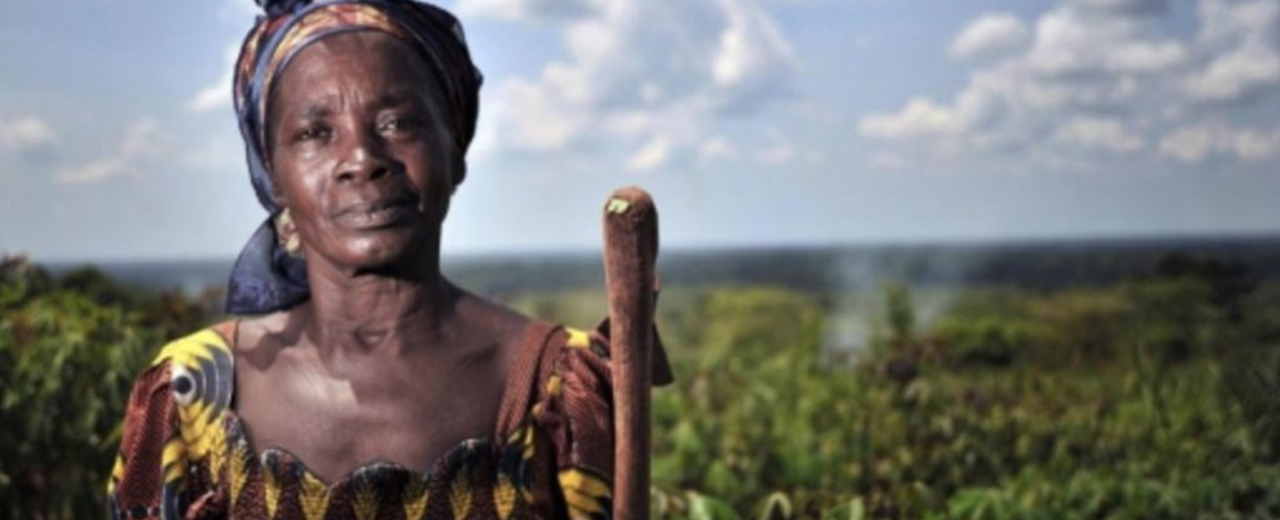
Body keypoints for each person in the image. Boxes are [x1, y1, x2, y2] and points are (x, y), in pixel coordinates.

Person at [106, 1, 667, 518]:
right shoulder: (191, 393)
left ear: (456, 148)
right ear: (272, 176)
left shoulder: (559, 389)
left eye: (398, 122)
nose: (362, 160)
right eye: (315, 133)